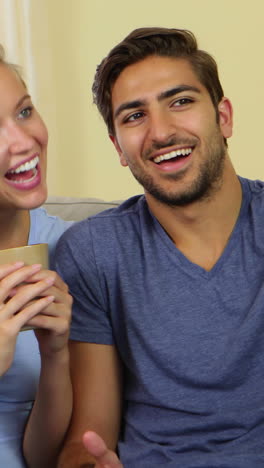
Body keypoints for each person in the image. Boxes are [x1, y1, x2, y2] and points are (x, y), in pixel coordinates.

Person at [55, 27, 264, 467]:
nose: (162, 132)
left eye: (181, 102)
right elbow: (86, 440)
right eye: (134, 116)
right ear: (118, 147)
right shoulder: (94, 252)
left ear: (223, 116)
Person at [0, 45, 75, 468]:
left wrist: (57, 355)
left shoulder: (71, 249)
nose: (23, 141)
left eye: (24, 111)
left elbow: (44, 458)